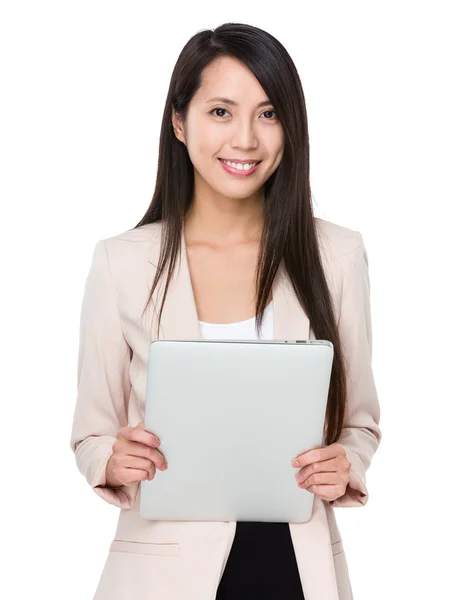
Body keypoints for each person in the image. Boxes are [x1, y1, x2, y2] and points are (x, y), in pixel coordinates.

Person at [70, 22, 381, 600]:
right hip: (159, 574)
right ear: (179, 122)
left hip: (295, 567)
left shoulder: (336, 255)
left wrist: (346, 465)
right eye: (220, 112)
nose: (246, 139)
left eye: (268, 113)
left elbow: (358, 422)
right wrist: (114, 461)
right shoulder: (121, 264)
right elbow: (92, 434)